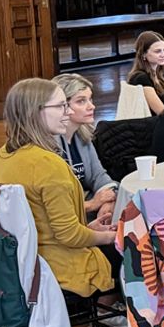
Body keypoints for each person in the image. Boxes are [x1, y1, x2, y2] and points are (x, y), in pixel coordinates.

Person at [0, 79, 117, 301]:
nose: (67, 112)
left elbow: (38, 223)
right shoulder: (49, 165)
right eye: (61, 106)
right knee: (139, 251)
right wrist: (109, 237)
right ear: (36, 111)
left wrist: (88, 228)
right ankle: (130, 319)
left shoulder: (3, 155)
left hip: (21, 262)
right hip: (58, 267)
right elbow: (68, 236)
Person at [50, 73, 116, 220]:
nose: (91, 106)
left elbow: (98, 176)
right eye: (81, 101)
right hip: (65, 219)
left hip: (86, 209)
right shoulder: (48, 144)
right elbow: (55, 203)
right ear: (62, 106)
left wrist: (107, 203)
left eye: (90, 99)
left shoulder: (82, 136)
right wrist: (92, 204)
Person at [126, 31, 164, 115]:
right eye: (157, 51)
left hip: (163, 120)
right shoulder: (140, 77)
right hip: (150, 124)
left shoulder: (162, 71)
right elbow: (161, 112)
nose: (163, 55)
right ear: (144, 54)